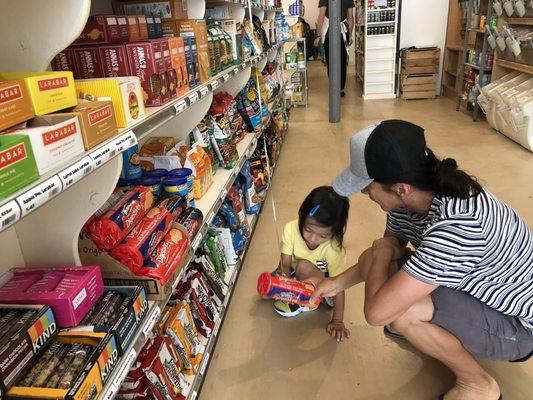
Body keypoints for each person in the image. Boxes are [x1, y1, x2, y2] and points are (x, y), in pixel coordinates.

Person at [311, 120, 533, 400]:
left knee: (401, 313)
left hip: (517, 326)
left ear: (400, 188)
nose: (365, 195)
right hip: (480, 290)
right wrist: (333, 285)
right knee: (384, 263)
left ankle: (478, 385)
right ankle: (432, 330)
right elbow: (386, 251)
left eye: (367, 188)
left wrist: (382, 251)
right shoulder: (415, 193)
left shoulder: (458, 226)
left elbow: (376, 313)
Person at [273, 186, 351, 342]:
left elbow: (338, 285)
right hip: (294, 272)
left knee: (303, 265)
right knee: (266, 291)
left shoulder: (334, 248)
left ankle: (307, 300)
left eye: (322, 235)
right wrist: (286, 284)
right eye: (308, 229)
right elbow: (285, 263)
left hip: (323, 283)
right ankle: (298, 293)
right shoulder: (291, 229)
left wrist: (337, 320)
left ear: (335, 231)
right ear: (301, 218)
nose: (313, 239)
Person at [314, 0, 355, 97]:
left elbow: (321, 17)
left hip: (330, 33)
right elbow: (350, 18)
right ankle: (340, 89)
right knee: (342, 62)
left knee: (331, 62)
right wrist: (349, 36)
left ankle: (334, 88)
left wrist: (318, 35)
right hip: (343, 33)